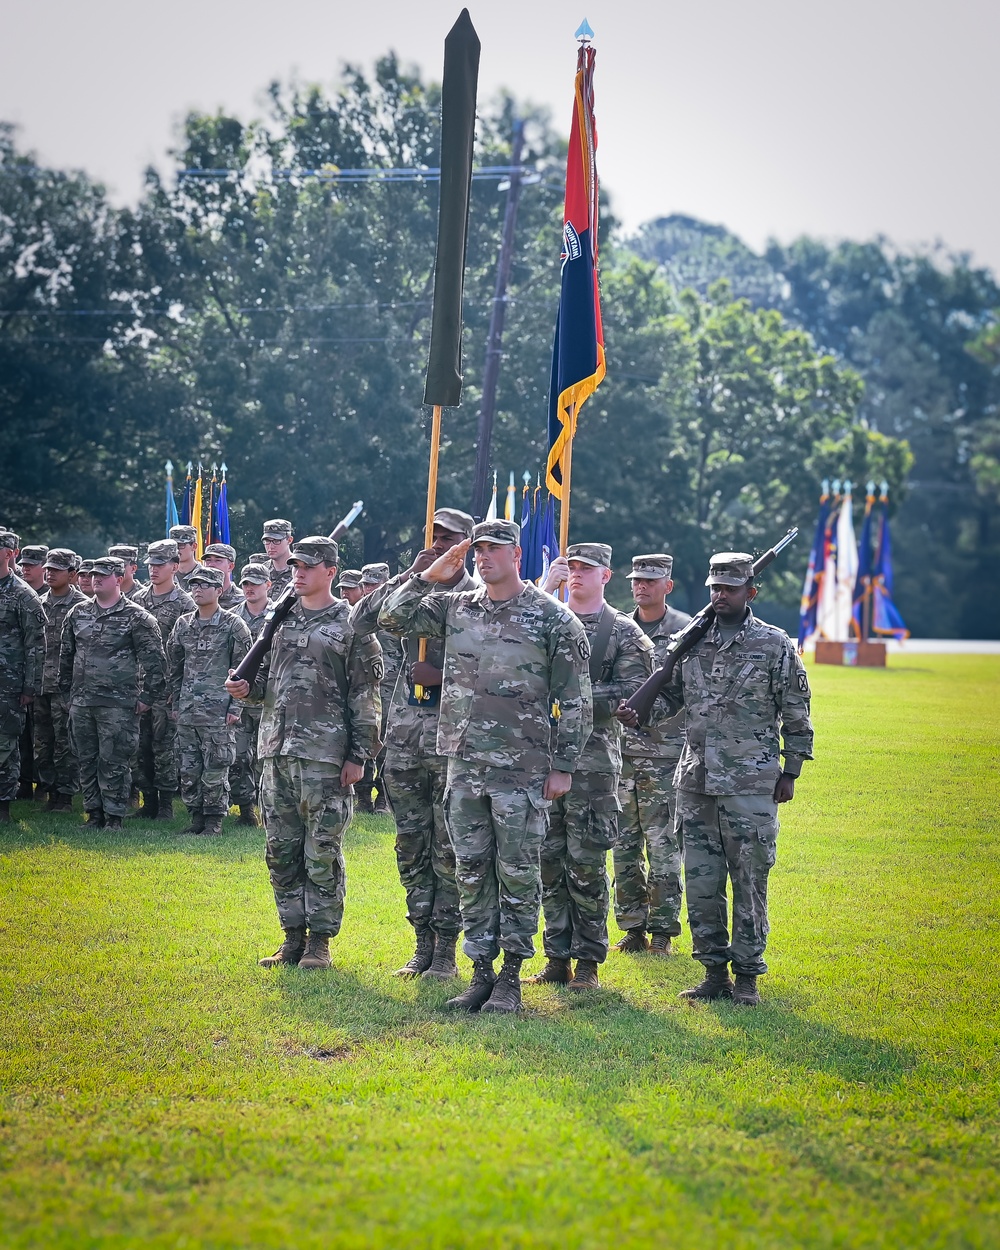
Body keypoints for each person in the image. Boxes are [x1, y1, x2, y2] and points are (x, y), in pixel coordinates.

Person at [379, 518, 593, 1014]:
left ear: (516, 555)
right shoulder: (456, 608)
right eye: (477, 550)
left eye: (493, 549)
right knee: (471, 871)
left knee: (516, 872)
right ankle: (479, 973)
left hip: (522, 768)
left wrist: (563, 767)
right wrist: (428, 574)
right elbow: (391, 619)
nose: (482, 557)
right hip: (464, 765)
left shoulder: (553, 618)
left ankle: (512, 978)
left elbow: (575, 700)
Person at [617, 552, 814, 1006]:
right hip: (695, 782)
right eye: (714, 588)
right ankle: (713, 973)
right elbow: (670, 700)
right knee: (702, 884)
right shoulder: (692, 643)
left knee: (749, 882)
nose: (720, 595)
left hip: (752, 784)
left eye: (729, 588)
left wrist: (791, 771)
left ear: (751, 592)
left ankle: (746, 977)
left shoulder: (774, 644)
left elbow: (797, 713)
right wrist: (639, 713)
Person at [225, 536, 382, 971]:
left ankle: (320, 942)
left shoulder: (352, 625)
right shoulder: (281, 619)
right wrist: (245, 689)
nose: (299, 572)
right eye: (295, 565)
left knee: (322, 849)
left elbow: (367, 696)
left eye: (309, 566)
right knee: (281, 848)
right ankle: (291, 937)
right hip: (276, 750)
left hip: (326, 755)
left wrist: (359, 755)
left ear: (331, 570)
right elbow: (265, 687)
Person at [350, 507, 476, 980]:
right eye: (435, 535)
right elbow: (363, 621)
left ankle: (445, 948)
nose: (441, 543)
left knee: (449, 847)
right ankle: (421, 941)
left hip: (453, 740)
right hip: (405, 738)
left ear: (468, 545)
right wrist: (416, 575)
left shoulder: (476, 596)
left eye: (451, 538)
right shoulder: (415, 586)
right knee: (411, 845)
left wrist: (442, 677)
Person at [527, 543, 654, 990]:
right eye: (572, 567)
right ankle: (556, 958)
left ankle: (588, 963)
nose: (577, 575)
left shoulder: (622, 633)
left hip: (593, 765)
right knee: (547, 864)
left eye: (587, 569)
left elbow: (634, 693)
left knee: (585, 866)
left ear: (606, 575)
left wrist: (571, 696)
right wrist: (543, 589)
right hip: (540, 761)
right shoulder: (540, 620)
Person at [612, 553, 693, 956]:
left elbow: (684, 693)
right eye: (636, 580)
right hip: (619, 754)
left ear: (668, 585)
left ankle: (662, 930)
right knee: (623, 844)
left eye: (650, 580)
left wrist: (646, 716)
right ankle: (631, 927)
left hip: (664, 753)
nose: (641, 586)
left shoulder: (687, 631)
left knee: (662, 845)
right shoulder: (620, 628)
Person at [58, 556, 166, 830]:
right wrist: (65, 695)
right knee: (87, 760)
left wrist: (147, 698)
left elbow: (155, 662)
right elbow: (66, 657)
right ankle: (93, 814)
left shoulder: (138, 618)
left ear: (118, 580)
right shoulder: (78, 613)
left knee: (115, 761)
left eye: (103, 576)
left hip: (119, 704)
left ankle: (115, 817)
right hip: (82, 702)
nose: (96, 579)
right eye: (93, 575)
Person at [167, 567, 251, 836]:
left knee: (216, 767)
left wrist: (236, 707)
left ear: (219, 590)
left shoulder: (233, 625)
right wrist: (175, 703)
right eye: (194, 585)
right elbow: (174, 666)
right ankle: (196, 817)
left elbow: (245, 669)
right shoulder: (183, 624)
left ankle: (214, 821)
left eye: (205, 584)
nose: (198, 589)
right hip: (188, 709)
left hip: (219, 711)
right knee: (189, 767)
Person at [131, 540, 196, 820]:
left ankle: (166, 805)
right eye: (150, 565)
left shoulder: (185, 603)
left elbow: (190, 650)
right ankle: (148, 802)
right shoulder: (137, 601)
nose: (154, 570)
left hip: (167, 689)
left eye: (159, 564)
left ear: (174, 566)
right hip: (140, 685)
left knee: (164, 748)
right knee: (139, 746)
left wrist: (178, 689)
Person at [35, 549, 87, 812]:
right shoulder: (37, 602)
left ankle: (65, 796)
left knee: (65, 743)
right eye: (48, 568)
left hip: (65, 687)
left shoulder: (81, 606)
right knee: (43, 742)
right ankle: (48, 788)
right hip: (40, 684)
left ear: (72, 574)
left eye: (56, 569)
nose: (50, 573)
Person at [0, 532, 46, 823]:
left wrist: (31, 686)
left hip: (9, 685)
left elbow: (36, 644)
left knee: (6, 743)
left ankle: (3, 805)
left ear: (10, 553)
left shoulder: (22, 594)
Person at [357, 562, 402, 815]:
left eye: (374, 584)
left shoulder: (396, 614)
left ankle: (383, 797)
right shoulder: (358, 614)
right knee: (363, 742)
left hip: (390, 690)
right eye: (366, 584)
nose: (369, 589)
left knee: (386, 745)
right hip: (362, 690)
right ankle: (362, 795)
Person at [230, 562, 273, 826]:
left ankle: (268, 809)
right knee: (237, 758)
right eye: (245, 583)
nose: (249, 588)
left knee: (264, 761)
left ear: (268, 585)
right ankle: (246, 810)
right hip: (239, 702)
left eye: (255, 583)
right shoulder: (233, 616)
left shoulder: (277, 616)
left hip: (266, 699)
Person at [202, 543, 245, 611]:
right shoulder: (196, 597)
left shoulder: (243, 600)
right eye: (208, 560)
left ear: (230, 566)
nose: (211, 564)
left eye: (218, 560)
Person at [261, 519, 294, 598]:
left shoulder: (300, 571)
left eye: (276, 541)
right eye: (267, 541)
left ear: (289, 540)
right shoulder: (262, 571)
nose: (271, 546)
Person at [169, 525, 206, 592]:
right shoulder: (166, 575)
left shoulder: (205, 576)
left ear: (194, 546)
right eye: (173, 546)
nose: (176, 550)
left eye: (181, 545)